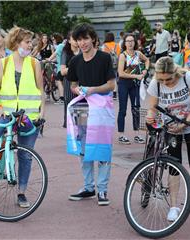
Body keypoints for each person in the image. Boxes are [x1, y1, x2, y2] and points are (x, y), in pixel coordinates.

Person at [0, 26, 45, 208]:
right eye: (27, 42)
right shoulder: (3, 63)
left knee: (25, 155)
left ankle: (22, 193)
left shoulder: (34, 63)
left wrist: (42, 113)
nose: (30, 45)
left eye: (31, 43)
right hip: (5, 113)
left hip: (28, 116)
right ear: (17, 43)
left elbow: (41, 91)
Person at [146, 56, 190, 221]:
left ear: (175, 73)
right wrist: (149, 117)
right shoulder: (156, 83)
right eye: (161, 79)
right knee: (174, 166)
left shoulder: (187, 77)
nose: (166, 83)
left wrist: (185, 124)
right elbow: (152, 107)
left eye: (168, 79)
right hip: (171, 126)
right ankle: (174, 206)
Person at [67, 23, 116, 206]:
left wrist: (93, 90)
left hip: (102, 109)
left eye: (86, 38)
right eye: (79, 39)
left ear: (93, 39)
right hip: (82, 108)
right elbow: (72, 85)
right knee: (83, 150)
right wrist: (78, 89)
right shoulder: (75, 61)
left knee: (103, 149)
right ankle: (88, 187)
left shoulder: (104, 58)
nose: (83, 43)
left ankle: (102, 190)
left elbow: (112, 85)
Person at [117, 33, 150, 144]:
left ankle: (137, 134)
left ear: (135, 42)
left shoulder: (138, 53)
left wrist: (145, 70)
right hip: (124, 84)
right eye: (128, 41)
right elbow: (121, 73)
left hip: (135, 85)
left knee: (136, 109)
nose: (130, 43)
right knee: (123, 110)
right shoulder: (123, 56)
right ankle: (121, 135)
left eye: (132, 41)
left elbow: (147, 60)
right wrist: (136, 76)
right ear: (124, 43)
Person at [60, 31, 80, 128]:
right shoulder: (66, 52)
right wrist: (74, 66)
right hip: (69, 82)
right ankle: (70, 129)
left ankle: (80, 131)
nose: (77, 41)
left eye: (78, 39)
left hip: (82, 82)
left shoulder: (83, 51)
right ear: (69, 41)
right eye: (74, 39)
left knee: (81, 106)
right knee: (70, 105)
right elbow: (62, 71)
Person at [47, 33, 65, 104]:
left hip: (60, 68)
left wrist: (48, 59)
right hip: (62, 67)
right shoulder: (63, 45)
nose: (53, 40)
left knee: (59, 81)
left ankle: (61, 98)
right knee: (62, 83)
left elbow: (54, 54)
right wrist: (52, 60)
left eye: (53, 39)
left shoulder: (60, 46)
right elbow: (58, 58)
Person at [102, 32, 121, 100]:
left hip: (107, 64)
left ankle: (108, 93)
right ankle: (115, 93)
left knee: (107, 78)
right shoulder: (117, 45)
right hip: (116, 63)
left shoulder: (105, 45)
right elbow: (119, 55)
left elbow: (103, 55)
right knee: (115, 78)